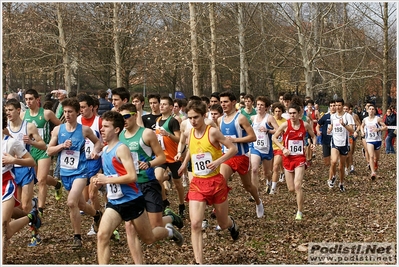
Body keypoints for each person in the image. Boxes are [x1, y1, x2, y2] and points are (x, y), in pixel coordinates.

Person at [94, 111, 183, 264]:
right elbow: (111, 174)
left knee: (149, 238)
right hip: (115, 202)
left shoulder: (121, 149)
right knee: (102, 236)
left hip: (132, 201)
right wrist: (98, 179)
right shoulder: (105, 150)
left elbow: (132, 176)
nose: (102, 129)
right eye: (102, 126)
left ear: (116, 130)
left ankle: (169, 231)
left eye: (106, 126)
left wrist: (107, 180)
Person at [118, 104, 184, 264]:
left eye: (127, 117)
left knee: (155, 227)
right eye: (121, 118)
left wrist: (149, 164)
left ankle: (170, 224)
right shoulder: (120, 136)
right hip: (131, 187)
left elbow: (161, 158)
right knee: (130, 227)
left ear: (135, 115)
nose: (124, 120)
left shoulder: (146, 134)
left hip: (148, 184)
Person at [178, 100, 239, 264]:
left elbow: (233, 149)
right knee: (196, 224)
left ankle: (232, 224)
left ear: (204, 116)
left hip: (216, 183)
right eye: (190, 118)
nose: (193, 121)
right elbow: (191, 149)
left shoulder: (212, 132)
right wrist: (184, 164)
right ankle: (199, 262)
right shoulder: (190, 132)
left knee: (222, 223)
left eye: (196, 117)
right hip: (198, 183)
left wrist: (219, 161)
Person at [47, 98, 103, 247]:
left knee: (72, 203)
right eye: (65, 111)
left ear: (77, 112)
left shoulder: (84, 129)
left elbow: (98, 142)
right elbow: (49, 150)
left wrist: (96, 151)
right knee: (82, 205)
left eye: (70, 111)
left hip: (80, 172)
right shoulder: (58, 130)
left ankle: (77, 236)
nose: (67, 114)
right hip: (65, 173)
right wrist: (61, 146)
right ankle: (97, 215)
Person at [218, 91, 264, 218]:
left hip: (241, 157)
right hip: (227, 157)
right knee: (221, 182)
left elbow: (253, 137)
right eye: (221, 102)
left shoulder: (241, 118)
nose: (223, 104)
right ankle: (220, 214)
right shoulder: (219, 120)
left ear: (233, 102)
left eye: (226, 101)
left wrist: (235, 140)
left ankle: (258, 202)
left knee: (248, 186)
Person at [2, 108, 41, 251]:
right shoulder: (6, 131)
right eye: (7, 111)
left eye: (11, 110)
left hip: (22, 170)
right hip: (12, 171)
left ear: (18, 111)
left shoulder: (28, 126)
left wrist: (31, 143)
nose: (9, 113)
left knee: (24, 205)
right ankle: (31, 216)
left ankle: (34, 232)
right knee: (15, 210)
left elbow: (42, 147)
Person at [22, 89, 63, 219]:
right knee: (37, 178)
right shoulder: (23, 115)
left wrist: (54, 136)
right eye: (26, 99)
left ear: (37, 99)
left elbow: (60, 126)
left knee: (41, 180)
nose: (28, 102)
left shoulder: (46, 113)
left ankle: (40, 209)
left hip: (44, 149)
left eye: (31, 99)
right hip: (30, 151)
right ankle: (57, 184)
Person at [272, 103, 316, 220]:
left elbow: (313, 136)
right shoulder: (285, 125)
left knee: (297, 185)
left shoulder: (305, 125)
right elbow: (274, 137)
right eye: (290, 113)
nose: (292, 115)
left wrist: (314, 144)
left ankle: (299, 212)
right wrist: (283, 148)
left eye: (294, 113)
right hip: (288, 158)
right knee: (291, 188)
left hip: (300, 158)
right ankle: (299, 200)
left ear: (299, 113)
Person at [77, 94, 104, 235]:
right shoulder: (76, 121)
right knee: (82, 197)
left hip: (95, 161)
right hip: (80, 162)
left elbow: (105, 140)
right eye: (79, 107)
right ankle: (99, 214)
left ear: (91, 107)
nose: (80, 110)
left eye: (83, 107)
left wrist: (97, 149)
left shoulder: (99, 122)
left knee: (93, 195)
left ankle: (96, 224)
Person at [154, 96, 185, 217]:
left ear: (171, 107)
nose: (161, 106)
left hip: (174, 157)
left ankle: (182, 204)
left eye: (164, 104)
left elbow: (179, 139)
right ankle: (164, 201)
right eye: (160, 104)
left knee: (178, 184)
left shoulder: (173, 121)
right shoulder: (158, 120)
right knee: (157, 179)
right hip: (161, 156)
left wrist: (168, 134)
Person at [250, 96, 279, 196]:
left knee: (267, 172)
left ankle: (269, 181)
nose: (259, 107)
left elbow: (278, 130)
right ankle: (255, 192)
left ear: (266, 107)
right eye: (258, 104)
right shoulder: (253, 118)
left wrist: (268, 130)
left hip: (266, 149)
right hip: (255, 148)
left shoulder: (269, 118)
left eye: (262, 105)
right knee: (254, 169)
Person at [327, 98, 354, 192]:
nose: (337, 107)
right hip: (335, 142)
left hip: (344, 143)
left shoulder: (348, 116)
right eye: (336, 105)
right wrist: (330, 129)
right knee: (333, 161)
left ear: (342, 106)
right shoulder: (333, 116)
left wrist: (344, 125)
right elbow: (332, 126)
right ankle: (333, 176)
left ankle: (341, 183)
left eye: (339, 105)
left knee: (341, 166)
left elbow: (351, 130)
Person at [360, 104, 387, 180]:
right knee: (371, 156)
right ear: (367, 110)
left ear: (374, 111)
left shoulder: (377, 119)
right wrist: (362, 132)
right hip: (369, 140)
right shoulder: (365, 120)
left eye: (373, 109)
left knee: (376, 158)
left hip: (377, 140)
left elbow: (385, 127)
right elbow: (362, 126)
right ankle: (373, 172)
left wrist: (379, 129)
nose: (371, 110)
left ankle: (375, 166)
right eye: (370, 109)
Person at [316, 100, 336, 178]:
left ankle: (332, 175)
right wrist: (318, 131)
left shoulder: (339, 117)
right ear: (329, 107)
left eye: (334, 105)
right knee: (327, 162)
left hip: (335, 141)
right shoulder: (325, 116)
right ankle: (332, 171)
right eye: (331, 106)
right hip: (325, 140)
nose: (333, 107)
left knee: (333, 161)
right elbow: (318, 125)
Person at [270, 102, 287, 192]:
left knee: (275, 166)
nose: (277, 113)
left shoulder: (285, 122)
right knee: (270, 169)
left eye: (279, 111)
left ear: (282, 111)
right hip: (269, 146)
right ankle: (282, 172)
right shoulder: (270, 120)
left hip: (280, 146)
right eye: (276, 111)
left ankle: (273, 188)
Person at [344, 103, 361, 174]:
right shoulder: (341, 117)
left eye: (347, 109)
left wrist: (356, 131)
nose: (346, 111)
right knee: (349, 152)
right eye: (344, 109)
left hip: (352, 136)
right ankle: (350, 167)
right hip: (346, 137)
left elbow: (359, 125)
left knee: (351, 152)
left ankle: (347, 166)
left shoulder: (354, 116)